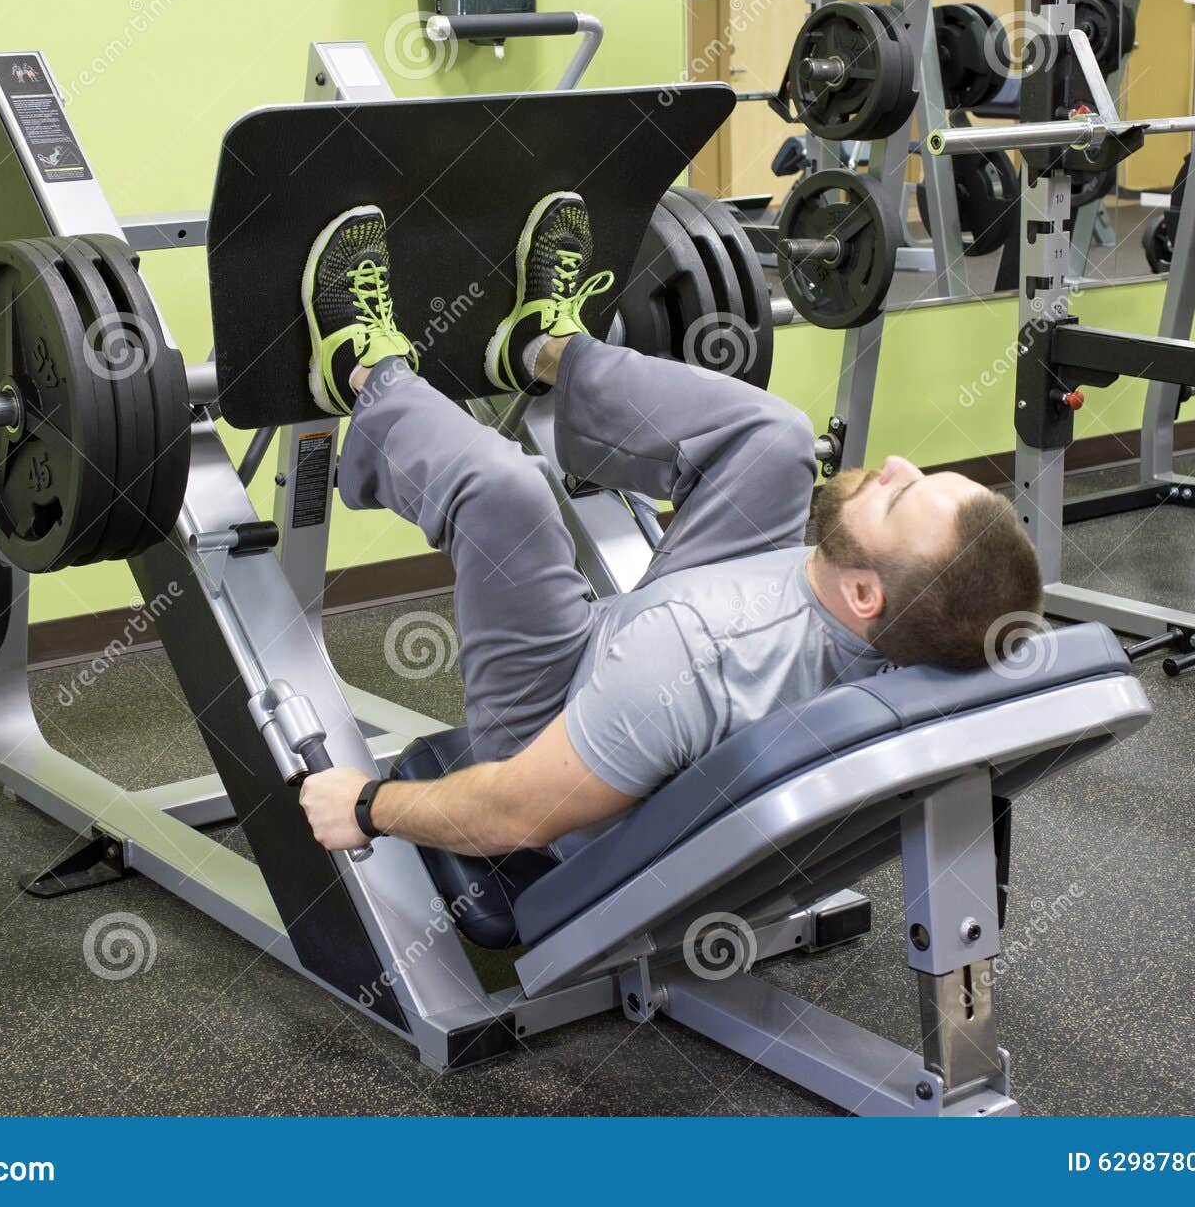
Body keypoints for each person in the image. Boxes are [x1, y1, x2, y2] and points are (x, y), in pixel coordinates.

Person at [297, 192, 1042, 859]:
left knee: (507, 494)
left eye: (898, 498)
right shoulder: (928, 637)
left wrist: (365, 806)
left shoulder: (686, 657)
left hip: (553, 717)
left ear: (865, 595)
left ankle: (363, 373)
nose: (898, 465)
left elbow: (515, 814)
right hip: (733, 622)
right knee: (776, 440)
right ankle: (542, 348)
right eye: (920, 477)